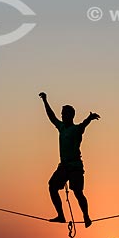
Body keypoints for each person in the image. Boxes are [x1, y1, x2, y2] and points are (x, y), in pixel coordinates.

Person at [39, 92, 100, 228]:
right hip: (64, 167)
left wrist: (89, 118)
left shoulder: (76, 129)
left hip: (75, 167)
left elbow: (83, 125)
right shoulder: (61, 128)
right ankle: (61, 215)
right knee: (52, 186)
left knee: (78, 192)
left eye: (64, 114)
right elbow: (51, 116)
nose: (61, 116)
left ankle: (86, 216)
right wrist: (45, 101)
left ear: (70, 115)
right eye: (62, 114)